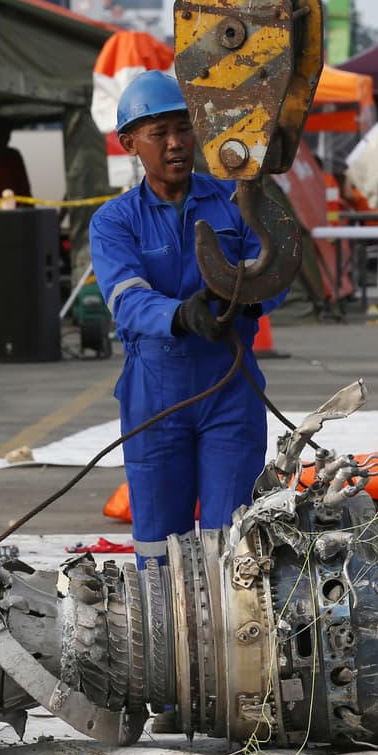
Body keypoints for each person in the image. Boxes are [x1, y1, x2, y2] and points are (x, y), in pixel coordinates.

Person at [89, 71, 287, 569]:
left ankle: (231, 642)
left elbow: (277, 269)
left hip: (230, 387)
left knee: (232, 547)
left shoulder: (234, 200)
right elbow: (125, 297)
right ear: (130, 142)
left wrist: (246, 302)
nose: (176, 143)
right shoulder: (115, 221)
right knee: (159, 548)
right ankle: (166, 641)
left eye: (184, 128)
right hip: (154, 394)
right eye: (159, 134)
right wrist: (179, 315)